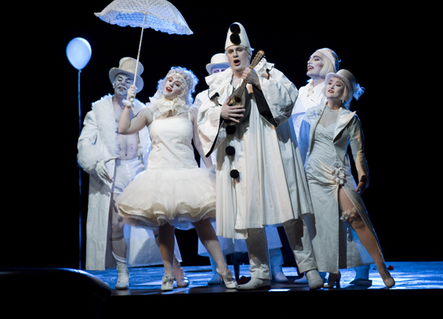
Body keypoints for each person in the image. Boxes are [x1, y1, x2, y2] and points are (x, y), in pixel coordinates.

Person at [197, 22, 323, 290]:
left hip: (271, 150)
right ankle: (260, 272)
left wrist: (259, 84)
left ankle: (309, 267)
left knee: (288, 208)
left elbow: (288, 102)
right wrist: (219, 114)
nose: (234, 54)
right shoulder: (220, 81)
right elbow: (203, 114)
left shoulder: (269, 73)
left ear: (249, 51)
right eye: (230, 50)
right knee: (247, 211)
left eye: (239, 49)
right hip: (240, 154)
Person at [117, 66, 237, 291]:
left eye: (178, 83)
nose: (171, 83)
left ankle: (223, 270)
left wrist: (211, 169)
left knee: (202, 222)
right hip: (158, 174)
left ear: (184, 90)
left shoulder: (190, 111)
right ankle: (169, 274)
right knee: (164, 223)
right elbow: (124, 128)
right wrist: (128, 103)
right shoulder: (150, 111)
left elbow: (199, 144)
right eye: (169, 79)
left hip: (186, 173)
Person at [77, 57, 186, 289]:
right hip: (113, 171)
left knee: (159, 220)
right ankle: (122, 271)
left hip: (139, 169)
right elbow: (84, 143)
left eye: (128, 79)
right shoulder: (99, 110)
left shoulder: (145, 109)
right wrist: (95, 162)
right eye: (119, 78)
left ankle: (175, 267)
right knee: (116, 223)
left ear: (135, 85)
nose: (122, 83)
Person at [196, 53, 288, 284]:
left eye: (221, 68)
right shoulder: (204, 96)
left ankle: (274, 265)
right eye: (214, 69)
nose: (218, 72)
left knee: (257, 210)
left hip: (246, 156)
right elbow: (200, 129)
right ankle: (219, 269)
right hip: (217, 160)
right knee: (221, 219)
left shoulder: (240, 85)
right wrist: (207, 163)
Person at [299, 69, 395, 288]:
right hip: (313, 174)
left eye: (338, 85)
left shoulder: (350, 118)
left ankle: (381, 269)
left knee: (357, 220)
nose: (332, 86)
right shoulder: (312, 113)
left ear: (346, 94)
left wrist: (363, 175)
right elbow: (303, 146)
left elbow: (358, 151)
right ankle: (333, 272)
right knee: (322, 226)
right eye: (330, 82)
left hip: (338, 174)